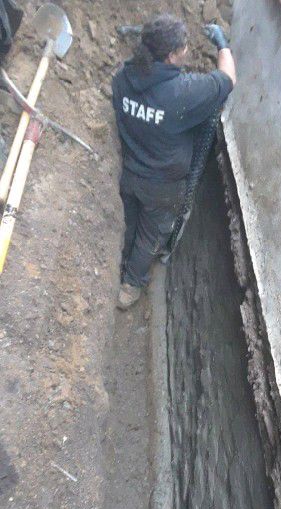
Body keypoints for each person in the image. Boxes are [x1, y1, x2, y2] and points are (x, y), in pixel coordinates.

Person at [112, 14, 236, 310]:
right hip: (162, 185)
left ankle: (122, 260)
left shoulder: (123, 78)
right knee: (148, 235)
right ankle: (131, 284)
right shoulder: (182, 94)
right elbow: (229, 78)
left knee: (131, 223)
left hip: (131, 172)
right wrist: (222, 44)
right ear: (170, 56)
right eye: (183, 48)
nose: (187, 51)